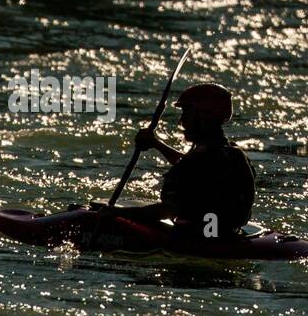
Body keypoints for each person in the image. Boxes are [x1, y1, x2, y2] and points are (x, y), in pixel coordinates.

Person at [107, 83, 256, 235]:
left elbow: (168, 210)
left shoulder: (200, 161)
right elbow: (194, 168)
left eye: (186, 113)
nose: (181, 121)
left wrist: (119, 214)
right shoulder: (232, 154)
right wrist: (157, 144)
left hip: (200, 238)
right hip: (226, 232)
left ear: (202, 116)